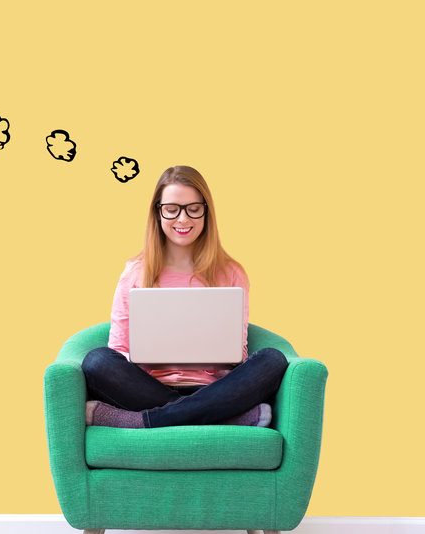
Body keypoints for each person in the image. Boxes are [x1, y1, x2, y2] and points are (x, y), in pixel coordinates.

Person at [82, 165, 288, 429]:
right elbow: (118, 349)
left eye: (193, 209)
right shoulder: (135, 272)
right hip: (146, 389)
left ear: (206, 212)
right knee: (97, 361)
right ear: (158, 212)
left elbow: (239, 351)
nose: (183, 220)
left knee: (273, 359)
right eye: (172, 209)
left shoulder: (232, 272)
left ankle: (143, 421)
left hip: (217, 389)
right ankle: (226, 419)